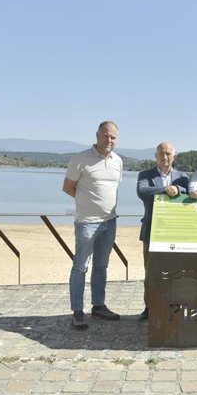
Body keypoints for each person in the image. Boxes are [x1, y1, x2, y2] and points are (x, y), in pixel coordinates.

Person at [62, 121, 123, 330]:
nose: (109, 141)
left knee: (101, 267)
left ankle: (98, 306)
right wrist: (86, 204)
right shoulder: (80, 159)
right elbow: (68, 187)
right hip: (87, 223)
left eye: (113, 137)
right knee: (80, 267)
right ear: (97, 135)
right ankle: (77, 312)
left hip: (110, 221)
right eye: (106, 136)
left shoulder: (118, 161)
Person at [136, 142, 189, 321]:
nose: (165, 157)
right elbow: (142, 191)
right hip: (152, 231)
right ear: (156, 156)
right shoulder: (145, 175)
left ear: (174, 156)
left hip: (176, 232)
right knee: (151, 272)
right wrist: (166, 190)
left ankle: (174, 306)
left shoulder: (182, 177)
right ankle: (149, 308)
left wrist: (179, 189)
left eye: (168, 154)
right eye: (161, 154)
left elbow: (189, 192)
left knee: (177, 272)